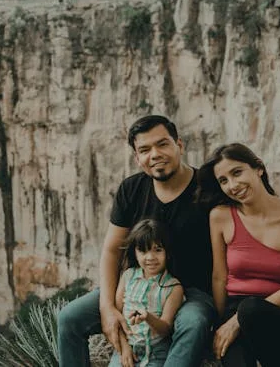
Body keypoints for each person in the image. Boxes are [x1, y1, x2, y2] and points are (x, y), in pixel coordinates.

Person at [58, 115, 215, 367]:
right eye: (144, 149)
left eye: (163, 144)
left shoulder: (207, 191)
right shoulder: (131, 189)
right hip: (137, 285)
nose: (155, 154)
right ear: (137, 158)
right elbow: (111, 251)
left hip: (191, 292)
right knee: (69, 318)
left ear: (180, 145)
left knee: (193, 322)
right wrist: (108, 308)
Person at [196, 143, 280, 366]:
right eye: (223, 181)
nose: (233, 185)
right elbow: (219, 276)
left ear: (258, 169)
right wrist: (221, 323)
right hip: (235, 310)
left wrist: (237, 322)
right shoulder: (220, 217)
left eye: (237, 172)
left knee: (251, 309)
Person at [108, 219, 184, 367]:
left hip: (156, 352)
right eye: (143, 251)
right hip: (127, 348)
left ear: (167, 252)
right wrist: (124, 349)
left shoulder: (173, 287)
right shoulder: (128, 276)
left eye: (158, 249)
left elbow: (166, 329)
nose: (150, 257)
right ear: (135, 252)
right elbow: (116, 317)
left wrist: (148, 317)